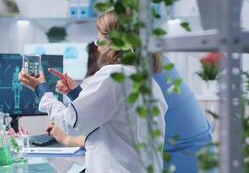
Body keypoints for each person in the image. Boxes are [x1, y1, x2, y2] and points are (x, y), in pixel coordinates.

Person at [18, 10, 167, 173]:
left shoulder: (113, 76)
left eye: (99, 39)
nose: (96, 45)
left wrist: (41, 89)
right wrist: (76, 93)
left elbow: (70, 124)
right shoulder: (146, 81)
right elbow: (110, 115)